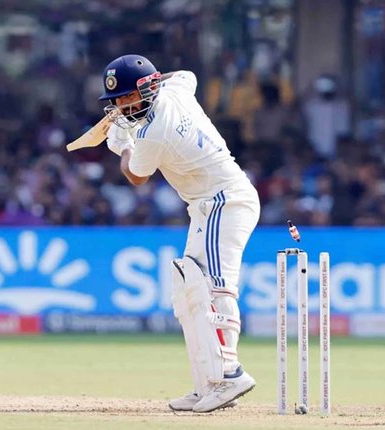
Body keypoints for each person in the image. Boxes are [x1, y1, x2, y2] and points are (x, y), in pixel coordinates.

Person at [98, 55, 260, 412]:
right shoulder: (176, 89)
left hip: (225, 201)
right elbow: (186, 73)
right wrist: (151, 84)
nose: (123, 107)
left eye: (128, 98)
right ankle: (209, 383)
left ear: (148, 89)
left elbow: (136, 176)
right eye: (118, 100)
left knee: (214, 288)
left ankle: (230, 374)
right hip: (206, 205)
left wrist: (122, 145)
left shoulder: (152, 131)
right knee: (190, 290)